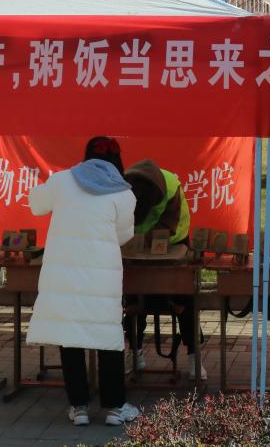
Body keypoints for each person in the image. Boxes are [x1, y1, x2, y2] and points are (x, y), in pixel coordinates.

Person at [26, 136, 139, 427]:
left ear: (86, 156)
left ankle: (79, 408)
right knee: (108, 338)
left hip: (64, 274)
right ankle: (115, 408)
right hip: (102, 277)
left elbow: (36, 205)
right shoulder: (124, 193)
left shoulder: (62, 180)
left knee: (70, 336)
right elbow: (123, 235)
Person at [121, 158, 205, 381]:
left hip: (173, 245)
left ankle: (194, 357)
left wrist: (144, 242)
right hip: (136, 248)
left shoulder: (170, 189)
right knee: (131, 298)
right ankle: (135, 352)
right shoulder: (122, 187)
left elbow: (168, 228)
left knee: (184, 299)